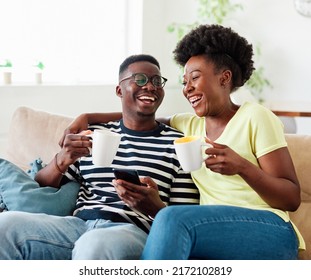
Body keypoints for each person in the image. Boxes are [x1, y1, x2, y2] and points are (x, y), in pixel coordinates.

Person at [63, 24, 305, 260]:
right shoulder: (189, 125)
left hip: (269, 229)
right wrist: (87, 117)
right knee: (172, 221)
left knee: (170, 218)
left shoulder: (255, 116)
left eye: (195, 78)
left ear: (225, 78)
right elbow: (141, 113)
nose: (187, 88)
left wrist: (242, 167)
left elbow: (291, 198)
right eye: (184, 81)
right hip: (211, 229)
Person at [0, 54, 199, 260]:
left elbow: (183, 220)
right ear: (119, 90)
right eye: (140, 79)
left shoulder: (178, 144)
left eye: (157, 81)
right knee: (5, 225)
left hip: (130, 231)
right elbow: (42, 185)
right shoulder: (92, 134)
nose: (150, 86)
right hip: (76, 226)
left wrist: (153, 207)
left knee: (94, 244)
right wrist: (61, 160)